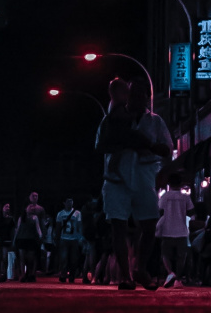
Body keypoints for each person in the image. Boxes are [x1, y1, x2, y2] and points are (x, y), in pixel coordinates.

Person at [96, 78, 170, 291]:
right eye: (133, 95)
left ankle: (140, 268)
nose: (139, 99)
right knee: (117, 226)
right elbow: (99, 145)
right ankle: (126, 277)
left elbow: (166, 148)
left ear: (147, 98)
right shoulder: (112, 119)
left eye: (142, 95)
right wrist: (125, 142)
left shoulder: (155, 121)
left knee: (149, 225)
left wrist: (150, 147)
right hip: (116, 180)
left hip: (144, 178)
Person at [155, 173, 194, 288]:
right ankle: (177, 279)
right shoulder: (185, 197)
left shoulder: (165, 197)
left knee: (165, 255)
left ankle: (170, 273)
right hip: (181, 230)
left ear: (169, 184)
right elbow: (191, 212)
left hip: (167, 229)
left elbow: (160, 211)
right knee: (181, 256)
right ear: (181, 183)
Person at [14, 192, 47, 282]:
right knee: (24, 258)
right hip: (24, 238)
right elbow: (18, 229)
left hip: (30, 238)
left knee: (30, 258)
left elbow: (39, 227)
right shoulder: (22, 218)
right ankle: (25, 275)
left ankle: (30, 274)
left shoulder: (35, 215)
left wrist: (41, 237)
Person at [54, 197, 84, 283]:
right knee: (64, 258)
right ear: (64, 203)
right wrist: (57, 238)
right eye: (68, 202)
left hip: (74, 239)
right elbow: (58, 227)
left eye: (71, 202)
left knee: (73, 259)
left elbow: (79, 226)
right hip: (64, 238)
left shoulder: (77, 213)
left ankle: (71, 275)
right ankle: (63, 274)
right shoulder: (60, 214)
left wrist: (80, 237)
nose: (70, 204)